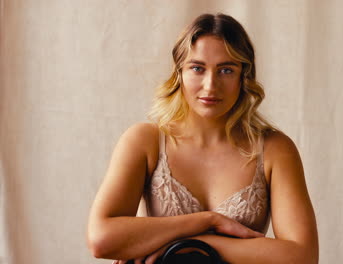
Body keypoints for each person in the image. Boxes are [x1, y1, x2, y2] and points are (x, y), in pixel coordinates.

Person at [87, 13, 319, 264]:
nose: (210, 86)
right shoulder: (146, 141)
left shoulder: (274, 149)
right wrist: (209, 221)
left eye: (226, 70)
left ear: (244, 77)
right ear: (179, 74)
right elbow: (102, 240)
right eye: (197, 68)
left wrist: (193, 243)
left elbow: (302, 257)